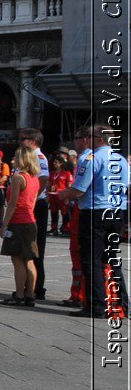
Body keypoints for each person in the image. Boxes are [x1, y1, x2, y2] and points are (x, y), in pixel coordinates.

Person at [59, 124, 129, 319]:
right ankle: (122, 302)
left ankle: (96, 305)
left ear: (99, 139)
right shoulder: (121, 160)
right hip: (117, 212)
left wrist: (63, 194)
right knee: (112, 259)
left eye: (89, 136)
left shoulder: (91, 159)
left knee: (92, 260)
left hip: (95, 213)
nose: (85, 140)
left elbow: (79, 189)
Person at [0, 144, 43, 307]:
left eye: (16, 157)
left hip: (18, 221)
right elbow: (32, 202)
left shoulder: (19, 178)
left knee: (17, 259)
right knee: (29, 259)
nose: (13, 160)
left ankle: (19, 294)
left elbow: (12, 203)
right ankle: (30, 294)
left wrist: (4, 224)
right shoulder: (35, 178)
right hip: (30, 221)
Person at [18, 128, 51, 300]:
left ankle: (37, 287)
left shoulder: (39, 157)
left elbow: (44, 179)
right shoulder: (26, 157)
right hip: (29, 204)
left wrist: (32, 198)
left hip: (36, 204)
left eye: (24, 138)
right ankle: (27, 284)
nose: (20, 141)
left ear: (33, 141)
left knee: (36, 246)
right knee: (26, 247)